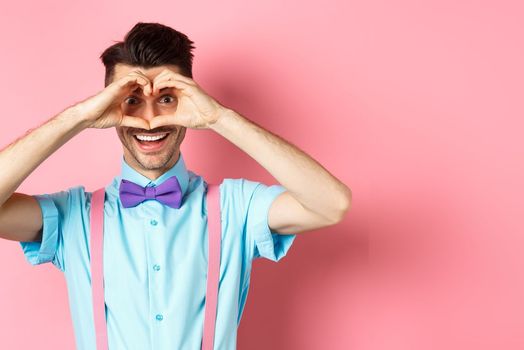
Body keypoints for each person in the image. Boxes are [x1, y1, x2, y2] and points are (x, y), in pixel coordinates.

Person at [0, 22, 351, 349]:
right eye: (132, 100)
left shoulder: (236, 206)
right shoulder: (72, 217)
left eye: (166, 98)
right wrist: (77, 117)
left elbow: (331, 204)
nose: (150, 118)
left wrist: (219, 117)